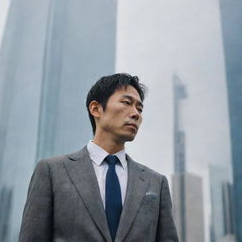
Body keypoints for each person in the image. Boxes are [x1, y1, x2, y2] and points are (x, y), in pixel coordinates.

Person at [19, 73, 178, 242]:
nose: (136, 114)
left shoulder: (156, 182)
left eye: (139, 108)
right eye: (127, 103)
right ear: (96, 109)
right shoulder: (52, 171)